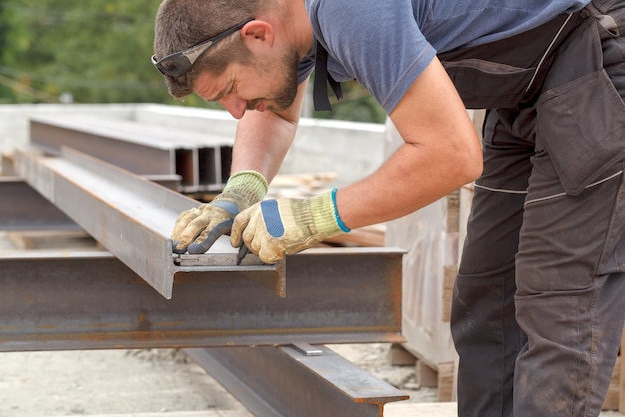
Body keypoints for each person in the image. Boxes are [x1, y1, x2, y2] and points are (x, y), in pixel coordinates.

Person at [151, 1, 625, 416]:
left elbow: (451, 155)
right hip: (526, 91)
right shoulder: (284, 21)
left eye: (231, 88)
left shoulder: (347, 8)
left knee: (558, 301)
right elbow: (273, 106)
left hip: (597, 54)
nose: (236, 110)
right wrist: (242, 191)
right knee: (488, 299)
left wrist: (314, 217)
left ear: (258, 33)